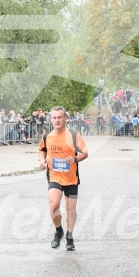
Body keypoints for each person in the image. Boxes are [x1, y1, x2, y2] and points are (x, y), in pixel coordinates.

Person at [39, 106, 88, 251]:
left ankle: (70, 236)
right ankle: (58, 230)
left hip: (71, 179)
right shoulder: (47, 137)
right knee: (54, 204)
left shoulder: (73, 135)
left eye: (60, 117)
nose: (57, 120)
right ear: (51, 120)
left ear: (65, 118)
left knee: (70, 208)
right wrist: (42, 161)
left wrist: (75, 158)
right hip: (54, 176)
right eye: (54, 118)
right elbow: (42, 149)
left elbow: (85, 152)